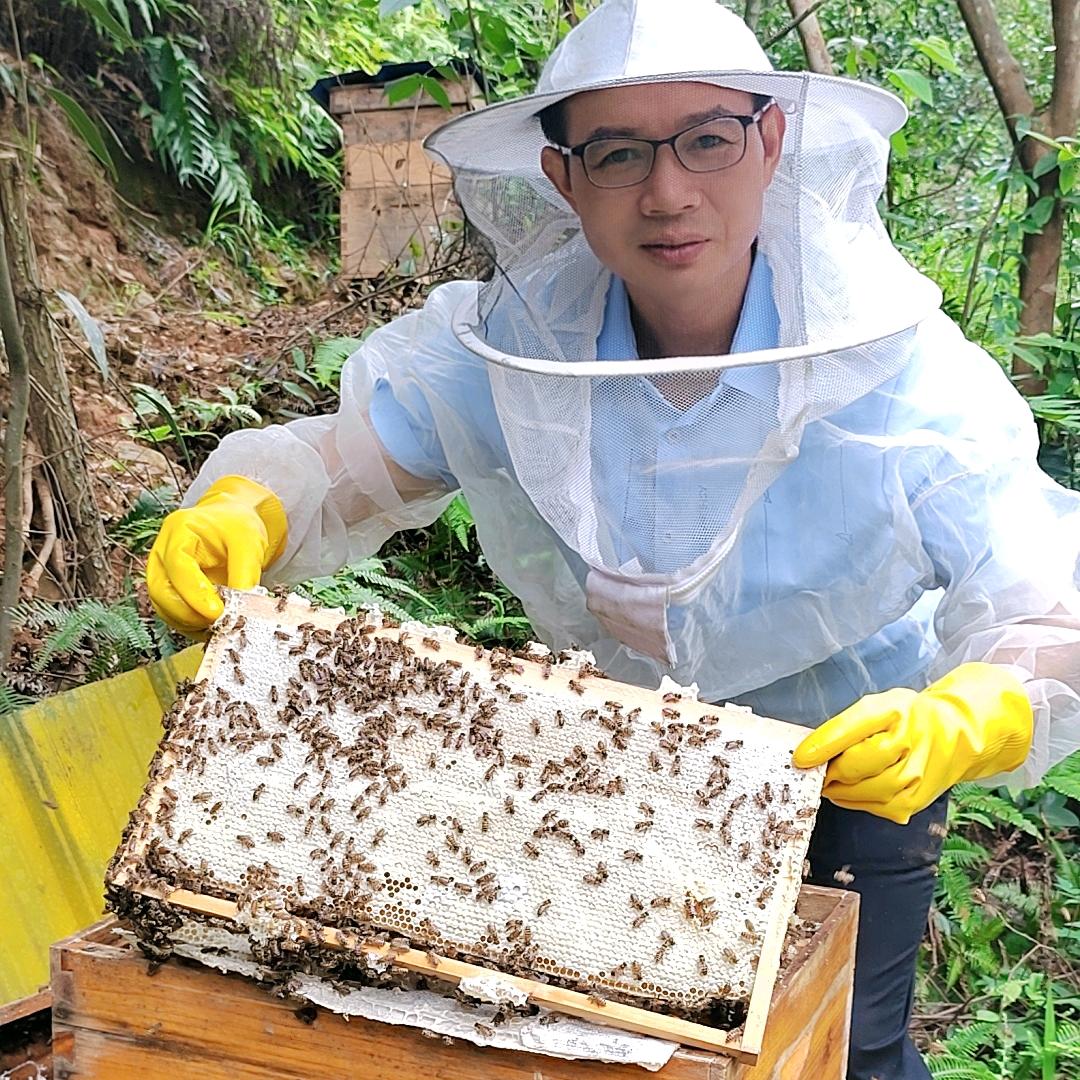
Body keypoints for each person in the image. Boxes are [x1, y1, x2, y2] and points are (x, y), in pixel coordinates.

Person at [145, 1, 1080, 1076]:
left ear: (771, 142)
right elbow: (358, 459)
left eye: (707, 140)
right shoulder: (522, 336)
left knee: (840, 1049)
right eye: (619, 152)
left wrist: (978, 709)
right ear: (563, 179)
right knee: (624, 1040)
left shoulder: (895, 357)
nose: (668, 191)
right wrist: (251, 506)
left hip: (851, 773)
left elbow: (1039, 587)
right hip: (621, 760)